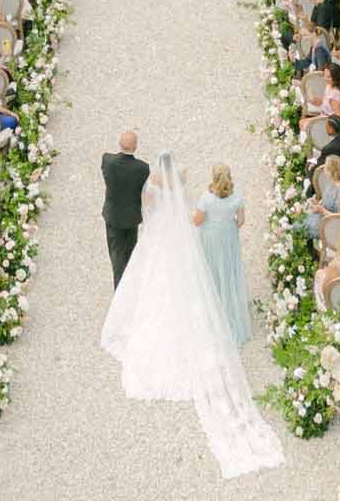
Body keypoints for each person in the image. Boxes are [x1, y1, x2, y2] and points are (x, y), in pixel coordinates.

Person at [100, 151, 284, 478]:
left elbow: (150, 209)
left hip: (158, 235)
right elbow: (196, 214)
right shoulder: (183, 182)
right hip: (180, 236)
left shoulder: (153, 183)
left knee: (152, 278)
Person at [192, 163, 253, 346]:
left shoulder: (206, 199)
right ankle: (230, 307)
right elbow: (240, 222)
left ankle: (213, 308)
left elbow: (197, 221)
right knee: (228, 271)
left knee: (212, 271)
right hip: (228, 240)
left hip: (211, 239)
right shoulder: (237, 198)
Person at [101, 128, 150, 289]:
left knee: (116, 256)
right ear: (135, 147)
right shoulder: (142, 168)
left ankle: (119, 289)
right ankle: (129, 287)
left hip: (113, 216)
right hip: (131, 218)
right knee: (130, 255)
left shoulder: (107, 161)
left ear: (119, 143)